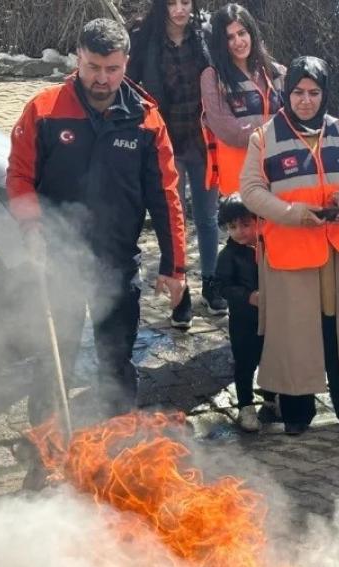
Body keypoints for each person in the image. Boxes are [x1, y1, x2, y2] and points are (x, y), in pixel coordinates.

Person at [6, 19, 186, 482]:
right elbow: (19, 178)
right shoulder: (44, 111)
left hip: (115, 260)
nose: (101, 78)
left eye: (111, 68)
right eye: (92, 67)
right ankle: (43, 457)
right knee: (54, 359)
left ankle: (116, 453)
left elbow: (165, 195)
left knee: (115, 361)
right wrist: (31, 230)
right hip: (58, 258)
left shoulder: (146, 118)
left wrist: (175, 266)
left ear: (125, 64)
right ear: (77, 59)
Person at [239, 56, 339, 436]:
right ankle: (297, 413)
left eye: (314, 92)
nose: (306, 100)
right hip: (291, 250)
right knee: (296, 333)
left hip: (338, 252)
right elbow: (250, 190)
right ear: (287, 92)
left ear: (324, 94)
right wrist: (291, 213)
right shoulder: (264, 137)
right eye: (298, 92)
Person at [127, 0, 227, 327]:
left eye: (186, 2)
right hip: (166, 141)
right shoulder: (144, 36)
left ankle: (212, 284)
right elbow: (129, 84)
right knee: (173, 218)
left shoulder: (206, 33)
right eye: (173, 2)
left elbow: (229, 71)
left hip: (203, 141)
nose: (180, 9)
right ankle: (179, 292)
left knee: (208, 216)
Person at [201, 3, 283, 198]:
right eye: (230, 37)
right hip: (239, 181)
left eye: (242, 33)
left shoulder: (275, 72)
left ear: (252, 33)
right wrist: (277, 130)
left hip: (277, 174)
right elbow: (229, 131)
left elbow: (293, 119)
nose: (238, 41)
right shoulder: (212, 77)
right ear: (221, 43)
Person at [208, 199, 275, 432]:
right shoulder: (228, 255)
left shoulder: (269, 246)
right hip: (243, 320)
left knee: (271, 359)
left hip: (271, 318)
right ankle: (246, 406)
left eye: (245, 225)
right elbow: (221, 286)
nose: (239, 232)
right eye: (232, 227)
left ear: (258, 221)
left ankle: (272, 398)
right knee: (245, 363)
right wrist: (247, 296)